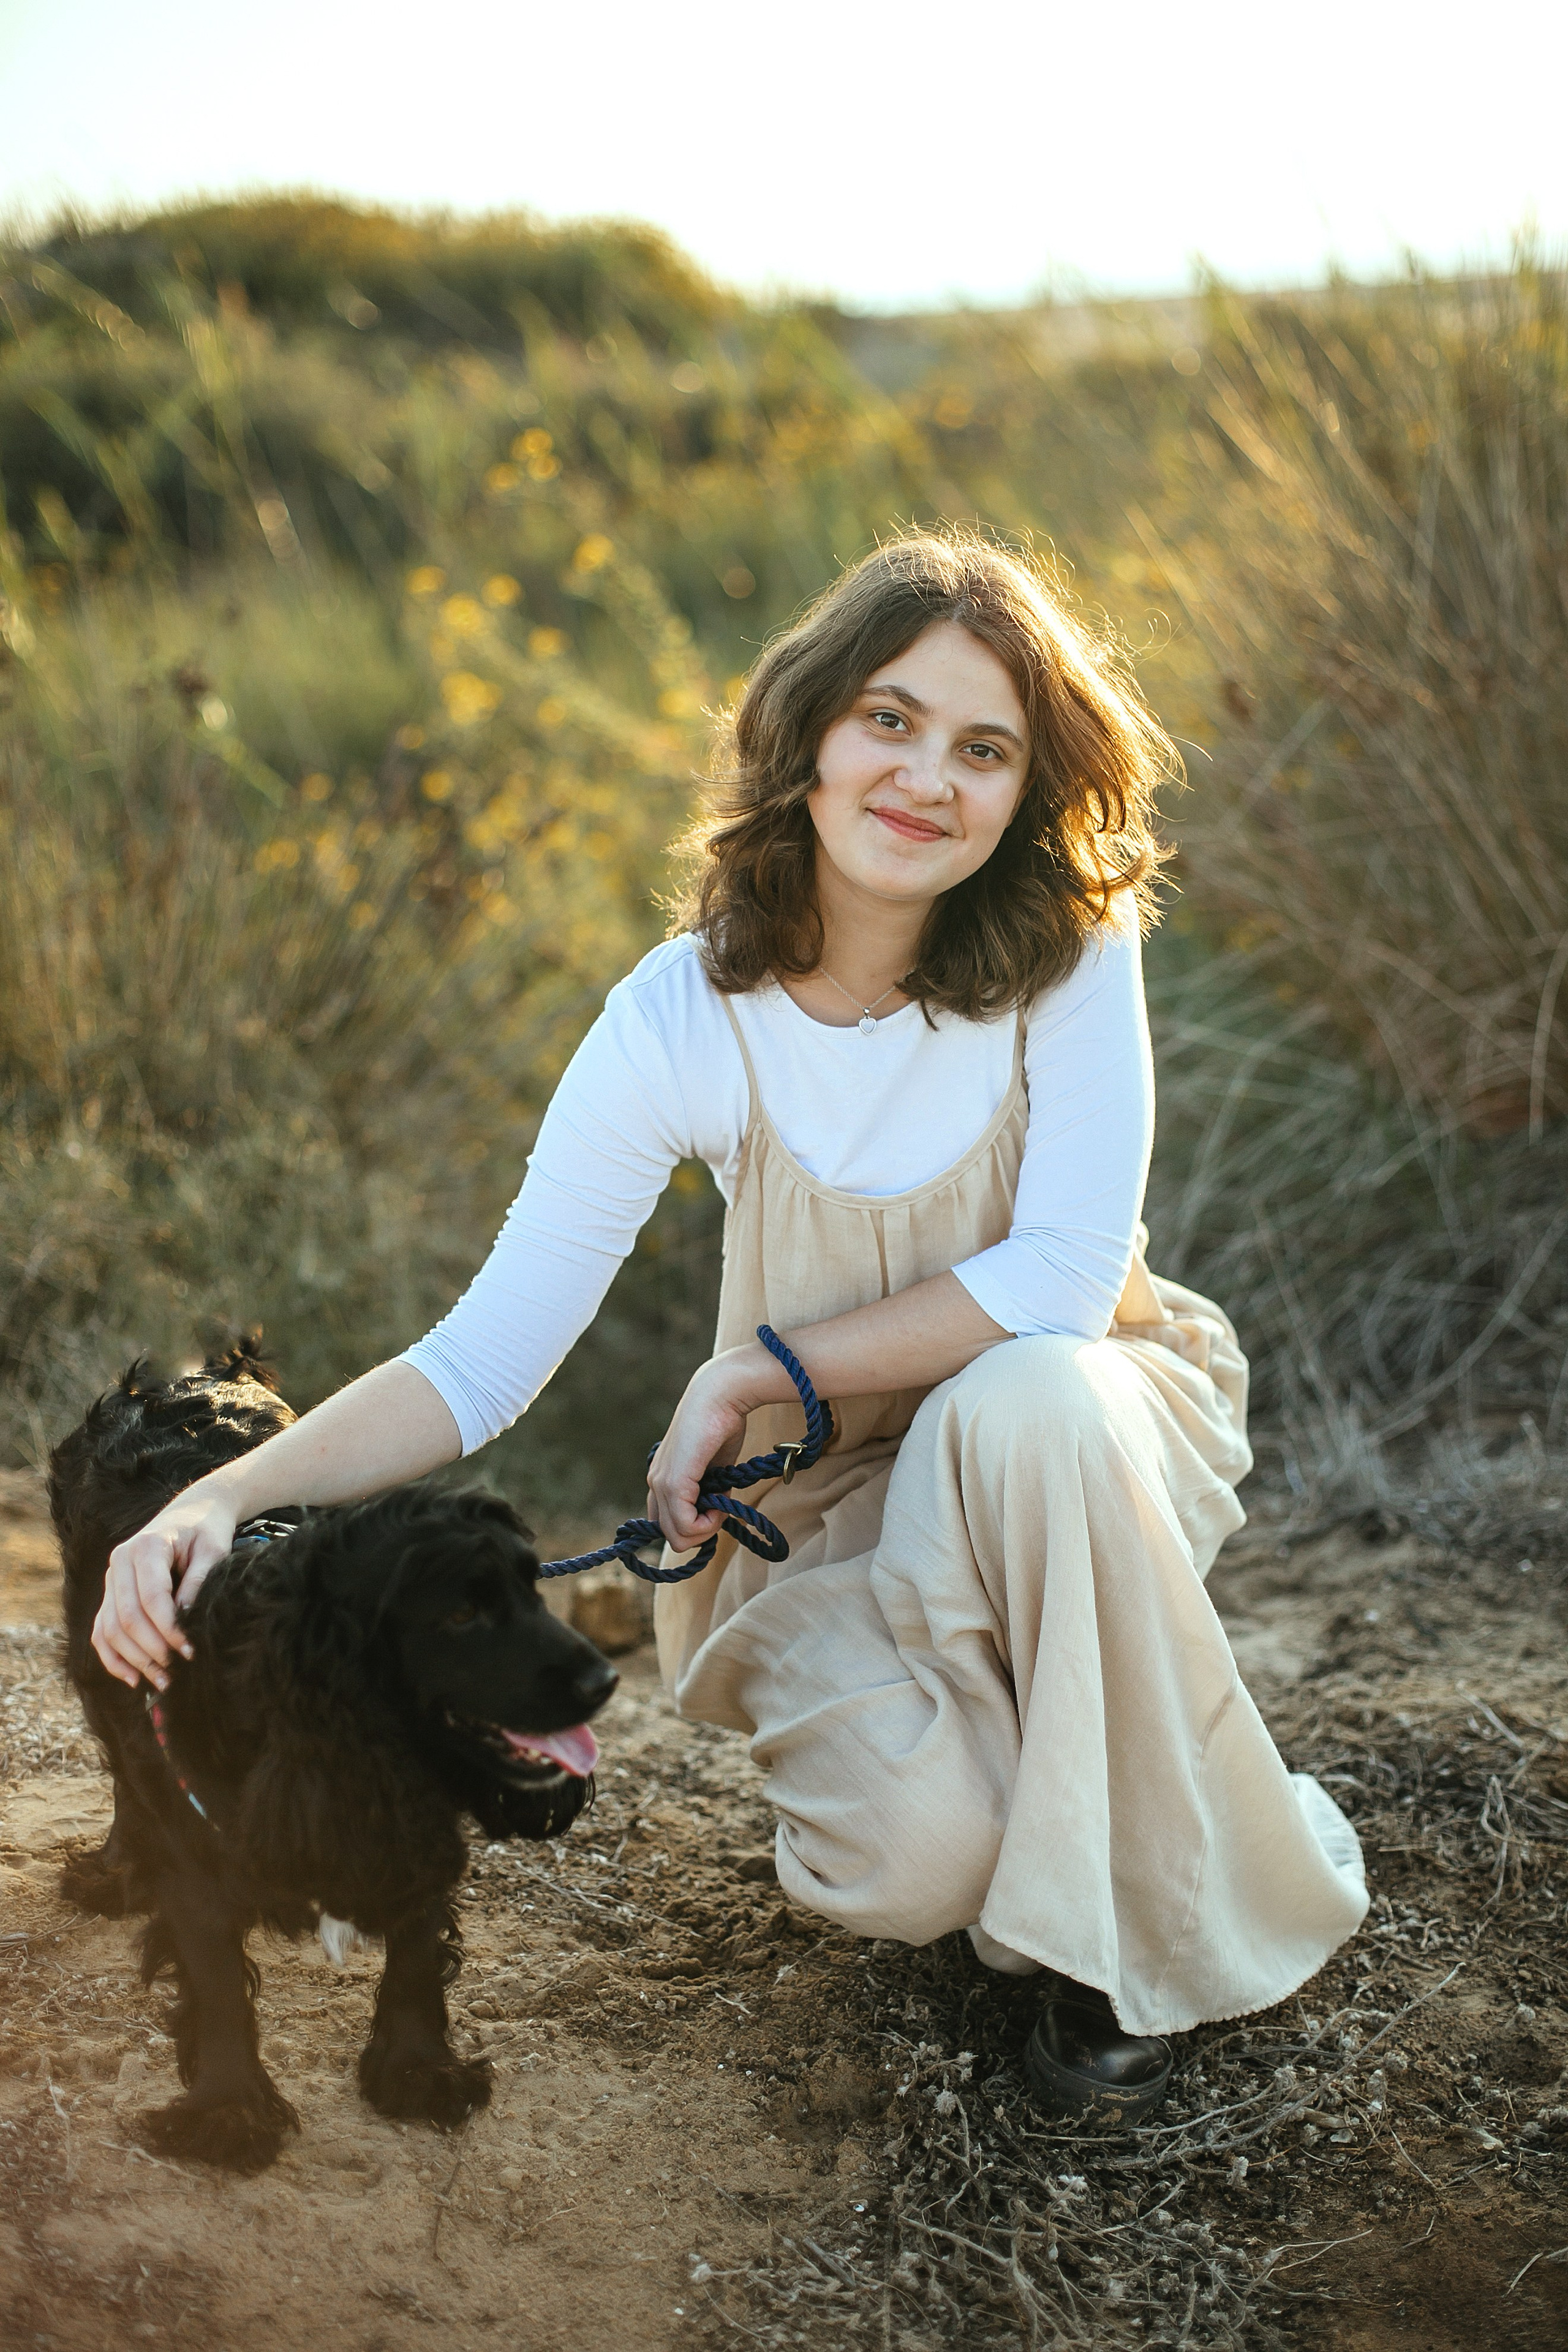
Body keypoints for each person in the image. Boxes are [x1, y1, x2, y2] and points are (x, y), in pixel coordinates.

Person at [93, 532, 1367, 2119]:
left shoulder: (1072, 956)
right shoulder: (682, 1018)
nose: (926, 779)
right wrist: (219, 1499)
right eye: (890, 720)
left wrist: (766, 1368)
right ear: (811, 729)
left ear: (1027, 791)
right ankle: (1051, 1782)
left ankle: (1135, 1944)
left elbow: (1057, 1281)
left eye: (985, 750)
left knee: (1022, 1400)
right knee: (919, 1865)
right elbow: (485, 1357)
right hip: (831, 1508)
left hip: (1085, 1436)